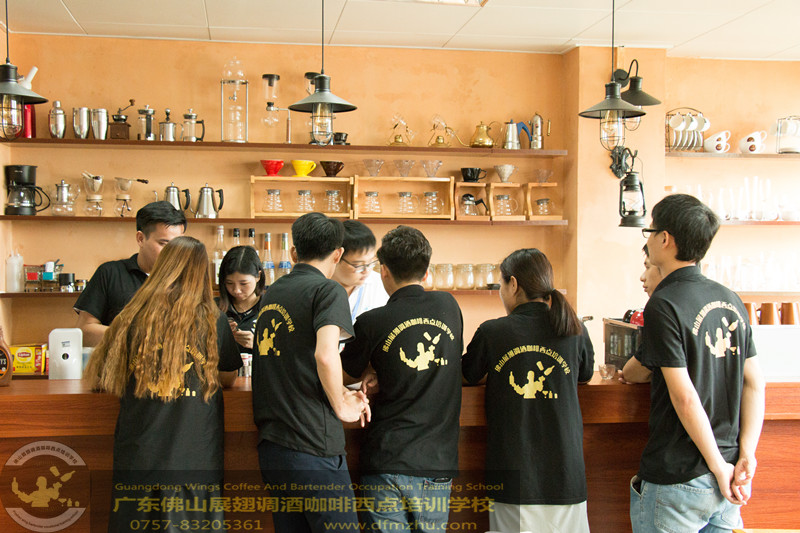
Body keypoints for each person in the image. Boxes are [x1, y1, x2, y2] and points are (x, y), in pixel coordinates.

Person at [626, 194, 766, 532]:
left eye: (650, 231)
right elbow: (755, 382)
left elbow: (685, 396)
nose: (648, 239)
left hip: (680, 477)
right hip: (729, 476)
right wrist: (745, 454)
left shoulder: (664, 303)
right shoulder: (730, 298)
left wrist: (717, 466)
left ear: (664, 238)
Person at [83, 236, 242, 533]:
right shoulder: (212, 320)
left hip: (139, 455)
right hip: (193, 455)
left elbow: (104, 374)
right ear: (200, 273)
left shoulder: (130, 316)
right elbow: (227, 376)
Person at [252, 212, 370, 533]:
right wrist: (342, 406)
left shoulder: (272, 293)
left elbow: (296, 362)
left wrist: (341, 390)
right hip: (313, 445)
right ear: (338, 254)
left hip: (274, 448)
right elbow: (325, 355)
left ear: (294, 252)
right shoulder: (328, 291)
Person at [341, 225, 463, 533]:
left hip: (387, 458)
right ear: (426, 272)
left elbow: (343, 374)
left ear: (383, 270)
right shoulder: (449, 306)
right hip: (437, 462)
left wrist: (372, 368)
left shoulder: (372, 322)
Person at [462, 248, 594, 533]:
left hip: (512, 477)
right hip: (567, 476)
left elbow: (466, 375)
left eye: (501, 284)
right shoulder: (575, 329)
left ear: (513, 284)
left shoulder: (493, 332)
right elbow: (584, 375)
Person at [75, 201, 186, 346]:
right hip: (119, 360)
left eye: (177, 245)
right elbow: (84, 332)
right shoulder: (110, 273)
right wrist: (134, 336)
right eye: (164, 244)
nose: (172, 253)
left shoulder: (186, 278)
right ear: (141, 239)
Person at [331, 220, 389, 321]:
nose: (366, 271)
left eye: (371, 262)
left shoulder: (381, 286)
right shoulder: (316, 288)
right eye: (358, 265)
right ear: (336, 257)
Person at [621, 244, 664, 383]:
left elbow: (631, 373)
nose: (642, 277)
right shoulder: (722, 295)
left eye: (647, 267)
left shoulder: (661, 307)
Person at [217, 245, 268, 358]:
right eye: (229, 283)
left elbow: (284, 354)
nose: (236, 290)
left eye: (243, 283)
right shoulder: (213, 308)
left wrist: (258, 344)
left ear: (258, 276)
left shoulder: (270, 308)